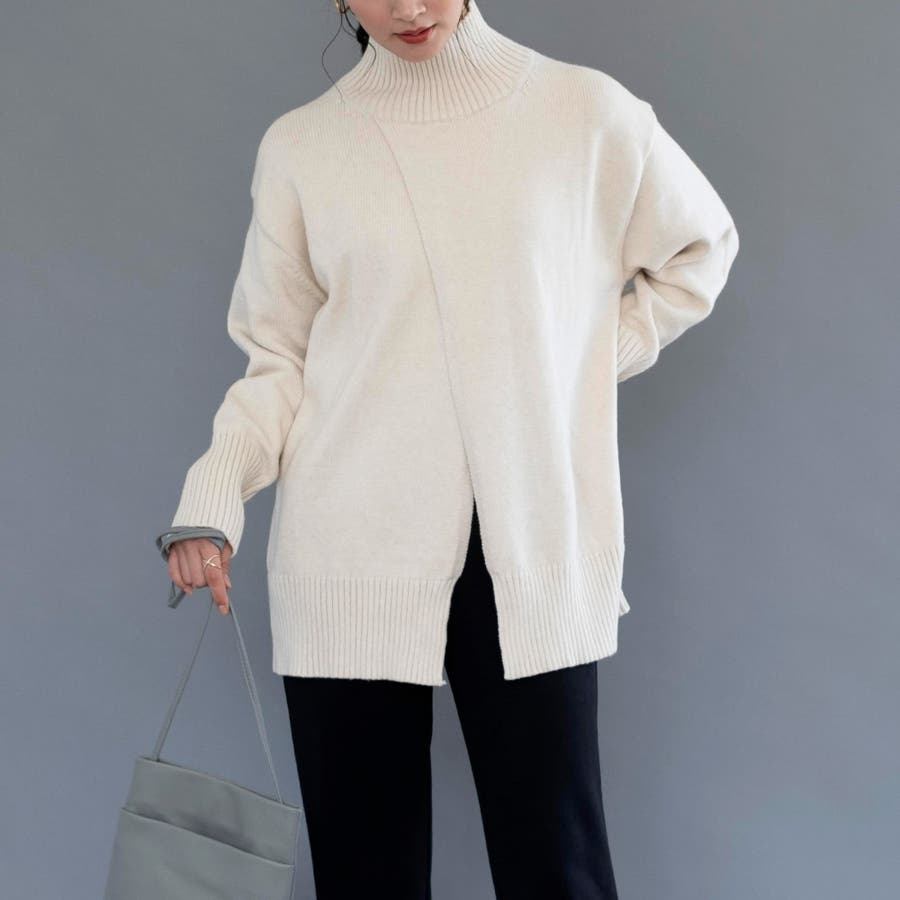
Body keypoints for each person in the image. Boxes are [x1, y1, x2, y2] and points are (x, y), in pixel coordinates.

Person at [156, 1, 740, 896]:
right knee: (366, 875)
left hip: (529, 544)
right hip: (346, 545)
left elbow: (699, 249)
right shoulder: (305, 147)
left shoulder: (582, 111)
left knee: (557, 867)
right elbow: (278, 360)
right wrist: (212, 500)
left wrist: (572, 371)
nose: (408, 8)